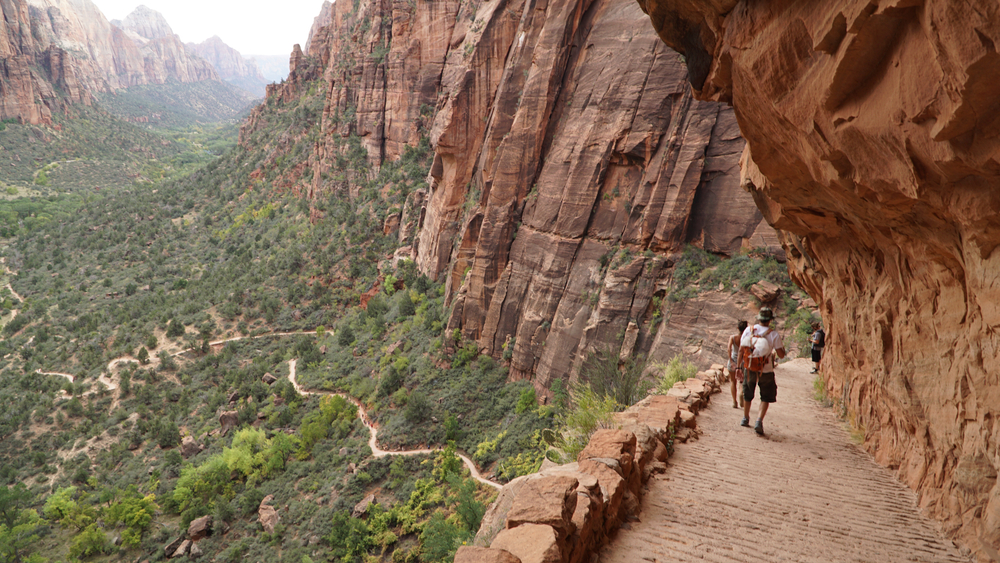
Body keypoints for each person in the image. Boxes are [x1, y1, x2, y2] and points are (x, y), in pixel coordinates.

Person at [737, 307, 786, 435]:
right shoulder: (773, 334)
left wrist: (738, 367)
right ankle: (759, 420)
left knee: (748, 392)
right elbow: (781, 355)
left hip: (749, 366)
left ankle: (745, 418)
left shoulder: (749, 330)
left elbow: (741, 350)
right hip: (766, 369)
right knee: (766, 395)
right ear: (770, 320)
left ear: (759, 318)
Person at [726, 320, 748, 409]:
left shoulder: (733, 337)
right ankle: (741, 393)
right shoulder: (747, 338)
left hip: (733, 361)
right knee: (742, 381)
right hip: (743, 362)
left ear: (737, 328)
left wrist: (731, 361)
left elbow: (728, 349)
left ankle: (734, 402)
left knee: (732, 381)